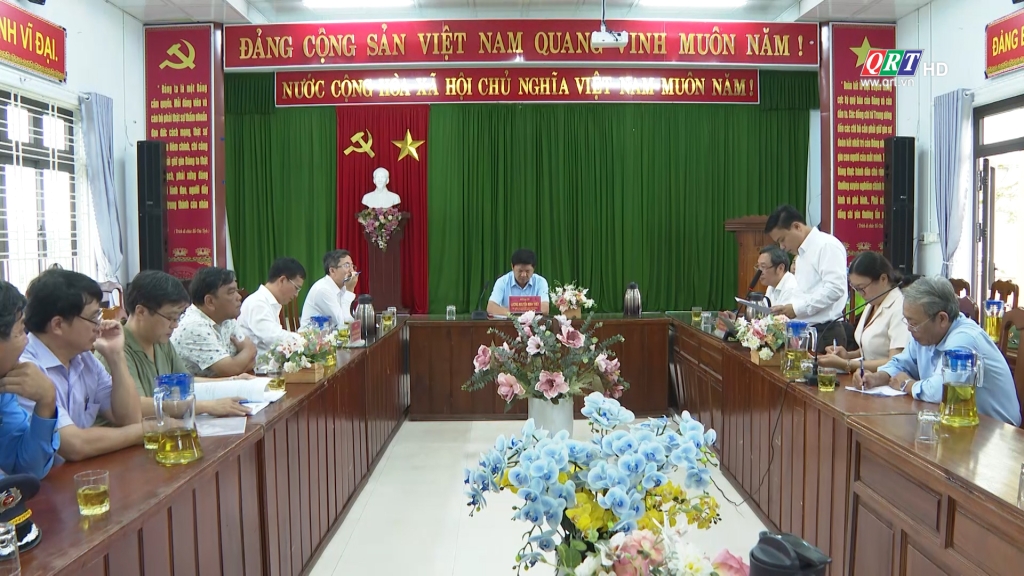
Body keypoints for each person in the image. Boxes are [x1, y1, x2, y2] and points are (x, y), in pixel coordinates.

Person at [18, 269, 143, 462]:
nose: (99, 325)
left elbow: (130, 418)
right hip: (36, 479)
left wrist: (116, 355)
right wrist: (146, 430)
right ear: (58, 325)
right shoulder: (26, 368)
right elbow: (74, 445)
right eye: (93, 318)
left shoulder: (84, 358)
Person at [861, 277, 1021, 426]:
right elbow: (902, 363)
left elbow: (942, 390)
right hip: (958, 422)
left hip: (997, 430)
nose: (909, 329)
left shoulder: (964, 338)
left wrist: (906, 384)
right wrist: (878, 377)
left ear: (942, 319)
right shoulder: (926, 334)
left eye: (913, 323)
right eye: (907, 321)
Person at [118, 271, 249, 418]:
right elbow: (137, 406)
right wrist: (206, 406)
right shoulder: (117, 349)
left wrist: (232, 381)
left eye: (178, 318)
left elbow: (185, 382)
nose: (175, 325)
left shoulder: (160, 340)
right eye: (170, 318)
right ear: (141, 312)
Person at [765, 205, 849, 352]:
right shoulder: (801, 255)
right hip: (806, 332)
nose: (782, 247)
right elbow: (805, 292)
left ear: (797, 227)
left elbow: (835, 289)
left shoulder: (826, 245)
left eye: (782, 240)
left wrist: (797, 309)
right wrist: (788, 308)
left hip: (825, 333)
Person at [0, 281, 60, 478]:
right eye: (19, 332)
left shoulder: (4, 389)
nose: (26, 341)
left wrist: (47, 400)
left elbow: (27, 469)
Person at [819, 252, 913, 373]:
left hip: (888, 379)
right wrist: (847, 355)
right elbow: (872, 351)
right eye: (856, 288)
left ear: (883, 279)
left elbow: (896, 361)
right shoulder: (873, 302)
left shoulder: (900, 308)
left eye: (862, 288)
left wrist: (847, 364)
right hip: (866, 377)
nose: (860, 294)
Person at [172, 267, 257, 378]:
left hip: (226, 385)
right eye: (231, 292)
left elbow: (251, 362)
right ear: (210, 301)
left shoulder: (226, 319)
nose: (239, 297)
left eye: (237, 291)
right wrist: (249, 349)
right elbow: (230, 370)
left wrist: (242, 359)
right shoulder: (194, 326)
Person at [238, 257, 306, 355]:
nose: (296, 294)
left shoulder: (269, 301)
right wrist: (303, 339)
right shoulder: (257, 303)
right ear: (282, 280)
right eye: (296, 288)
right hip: (255, 363)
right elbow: (273, 338)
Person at [721, 246, 796, 322]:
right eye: (758, 267)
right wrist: (736, 321)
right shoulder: (772, 286)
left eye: (763, 267)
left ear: (780, 268)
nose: (759, 272)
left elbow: (780, 323)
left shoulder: (791, 287)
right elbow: (764, 317)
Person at [301, 249, 358, 327]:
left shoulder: (342, 287)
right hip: (311, 334)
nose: (352, 270)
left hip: (330, 333)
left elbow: (350, 320)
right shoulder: (323, 290)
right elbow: (343, 323)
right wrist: (350, 291)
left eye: (352, 266)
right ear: (332, 271)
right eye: (347, 265)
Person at [487, 249, 550, 316]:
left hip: (533, 322)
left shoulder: (540, 282)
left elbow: (545, 309)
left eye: (527, 271)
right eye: (520, 271)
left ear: (534, 268)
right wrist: (515, 315)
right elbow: (491, 308)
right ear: (512, 267)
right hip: (509, 321)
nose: (523, 275)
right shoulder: (502, 281)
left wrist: (520, 312)